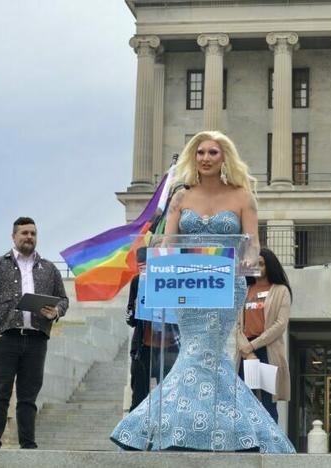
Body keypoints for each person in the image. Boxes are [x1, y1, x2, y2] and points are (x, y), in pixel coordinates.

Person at [110, 130, 295, 453]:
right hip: (188, 285)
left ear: (224, 158)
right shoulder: (180, 198)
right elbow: (168, 242)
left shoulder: (242, 196)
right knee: (199, 355)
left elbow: (252, 246)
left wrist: (244, 264)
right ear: (193, 158)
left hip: (224, 285)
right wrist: (154, 263)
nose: (206, 158)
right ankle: (216, 430)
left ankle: (156, 428)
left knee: (203, 353)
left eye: (213, 152)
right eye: (200, 153)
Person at [0, 217, 69, 449]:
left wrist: (56, 311)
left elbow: (64, 299)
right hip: (5, 338)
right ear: (14, 236)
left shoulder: (48, 268)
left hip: (36, 339)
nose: (29, 237)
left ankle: (28, 446)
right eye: (24, 233)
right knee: (0, 393)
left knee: (28, 397)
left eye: (33, 233)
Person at [236, 247, 292, 423]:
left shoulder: (281, 290)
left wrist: (253, 345)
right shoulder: (244, 289)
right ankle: (249, 446)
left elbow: (280, 325)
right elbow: (236, 324)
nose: (258, 267)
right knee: (246, 401)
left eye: (261, 263)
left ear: (270, 266)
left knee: (268, 404)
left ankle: (272, 446)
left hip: (267, 351)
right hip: (245, 353)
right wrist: (246, 349)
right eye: (254, 263)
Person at [126, 247, 180, 412]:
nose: (143, 271)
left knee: (170, 400)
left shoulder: (172, 280)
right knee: (138, 400)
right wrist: (135, 309)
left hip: (170, 348)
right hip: (143, 349)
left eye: (146, 266)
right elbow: (131, 319)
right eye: (140, 267)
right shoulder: (136, 282)